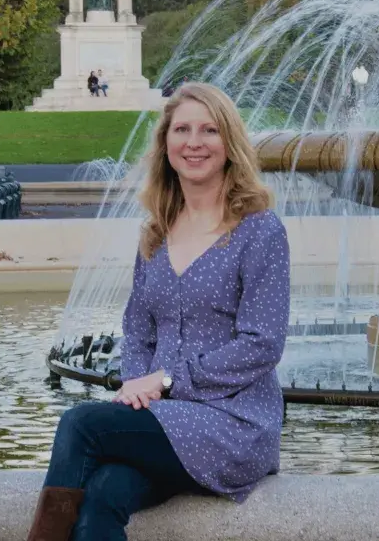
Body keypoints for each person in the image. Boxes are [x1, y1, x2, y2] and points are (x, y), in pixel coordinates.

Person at [25, 82, 291, 541]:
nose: (194, 142)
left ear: (229, 144)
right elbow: (138, 331)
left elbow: (262, 345)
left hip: (233, 424)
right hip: (164, 421)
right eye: (182, 129)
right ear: (165, 143)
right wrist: (136, 390)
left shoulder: (259, 231)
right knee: (102, 498)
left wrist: (165, 382)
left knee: (80, 423)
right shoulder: (157, 234)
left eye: (209, 130)